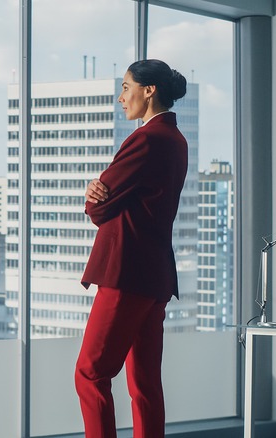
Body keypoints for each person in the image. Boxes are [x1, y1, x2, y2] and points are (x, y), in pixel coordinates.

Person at [75, 59, 188, 438]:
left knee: (90, 373)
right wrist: (101, 190)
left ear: (149, 90)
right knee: (144, 384)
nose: (121, 97)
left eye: (126, 87)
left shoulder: (146, 138)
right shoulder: (176, 140)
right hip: (154, 276)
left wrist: (93, 194)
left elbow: (98, 206)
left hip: (127, 272)